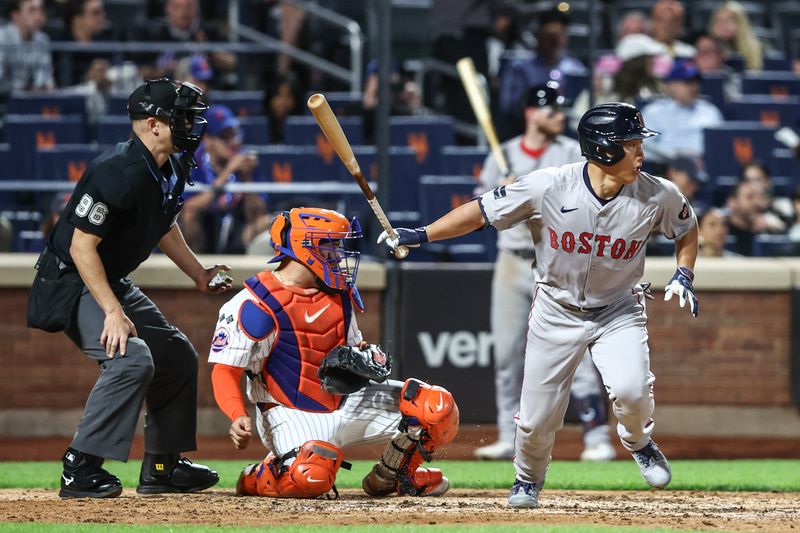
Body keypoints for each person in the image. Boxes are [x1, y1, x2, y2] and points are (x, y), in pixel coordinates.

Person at [378, 102, 699, 508]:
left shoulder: (658, 194)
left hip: (618, 308)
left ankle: (639, 442)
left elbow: (687, 230)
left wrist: (683, 274)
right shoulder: (548, 185)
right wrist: (422, 235)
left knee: (633, 392)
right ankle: (528, 479)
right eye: (631, 144)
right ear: (602, 149)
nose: (640, 153)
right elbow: (480, 213)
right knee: (535, 418)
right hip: (556, 309)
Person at [27, 78, 230, 499]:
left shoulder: (168, 164)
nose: (193, 125)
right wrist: (112, 312)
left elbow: (165, 223)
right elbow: (82, 247)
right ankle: (80, 466)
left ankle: (162, 466)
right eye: (183, 118)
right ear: (154, 124)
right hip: (70, 280)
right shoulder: (115, 169)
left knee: (175, 355)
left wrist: (197, 273)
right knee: (130, 358)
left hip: (108, 278)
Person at [209, 206, 459, 499]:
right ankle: (260, 476)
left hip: (344, 400)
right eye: (330, 246)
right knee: (311, 477)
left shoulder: (338, 293)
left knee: (437, 408)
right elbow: (225, 370)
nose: (339, 255)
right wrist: (237, 414)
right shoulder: (252, 303)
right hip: (289, 411)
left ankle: (393, 476)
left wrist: (366, 358)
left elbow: (351, 348)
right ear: (305, 248)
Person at [473, 83, 615, 462]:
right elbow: (484, 215)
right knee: (506, 354)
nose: (560, 115)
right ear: (531, 113)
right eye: (552, 110)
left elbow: (591, 202)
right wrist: (503, 200)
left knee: (577, 351)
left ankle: (597, 436)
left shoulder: (570, 151)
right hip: (512, 261)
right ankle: (508, 436)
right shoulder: (500, 155)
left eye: (562, 110)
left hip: (558, 262)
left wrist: (527, 197)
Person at [181, 104, 264, 254]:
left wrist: (247, 178)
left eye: (234, 134)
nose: (233, 142)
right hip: (205, 228)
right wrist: (227, 173)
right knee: (189, 215)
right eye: (225, 137)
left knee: (266, 221)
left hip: (236, 228)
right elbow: (188, 207)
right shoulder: (193, 161)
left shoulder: (245, 162)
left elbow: (257, 213)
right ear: (208, 140)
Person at [640, 58, 724, 163]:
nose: (693, 87)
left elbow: (720, 146)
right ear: (671, 85)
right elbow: (642, 148)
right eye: (687, 82)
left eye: (696, 82)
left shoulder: (710, 111)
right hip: (664, 167)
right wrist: (673, 157)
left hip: (703, 166)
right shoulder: (654, 112)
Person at [49, 0, 113, 87]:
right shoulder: (59, 48)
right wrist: (86, 78)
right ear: (78, 19)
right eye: (95, 13)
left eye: (102, 11)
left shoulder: (106, 44)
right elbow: (60, 86)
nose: (102, 16)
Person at [0, 0, 54, 101]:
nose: (38, 16)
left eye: (41, 10)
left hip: (29, 101)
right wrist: (25, 89)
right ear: (15, 16)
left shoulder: (42, 39)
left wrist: (42, 86)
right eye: (32, 10)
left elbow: (45, 78)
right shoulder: (2, 37)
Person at [708, 1, 762, 72]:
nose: (723, 25)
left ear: (741, 23)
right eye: (719, 20)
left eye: (729, 20)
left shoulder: (755, 48)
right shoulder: (705, 48)